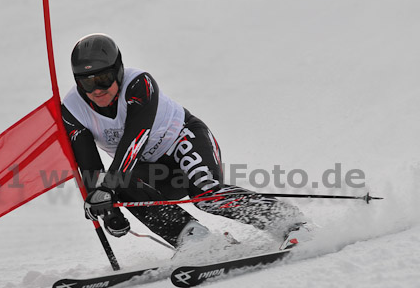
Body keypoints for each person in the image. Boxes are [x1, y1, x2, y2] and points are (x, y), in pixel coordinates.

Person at [61, 33, 309, 250]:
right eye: (86, 82)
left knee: (206, 196)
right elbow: (90, 167)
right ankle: (195, 239)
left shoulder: (139, 84)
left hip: (183, 140)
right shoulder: (73, 109)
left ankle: (290, 222)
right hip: (150, 166)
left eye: (103, 79)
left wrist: (108, 187)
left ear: (118, 71)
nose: (96, 90)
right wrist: (108, 209)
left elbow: (135, 140)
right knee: (123, 185)